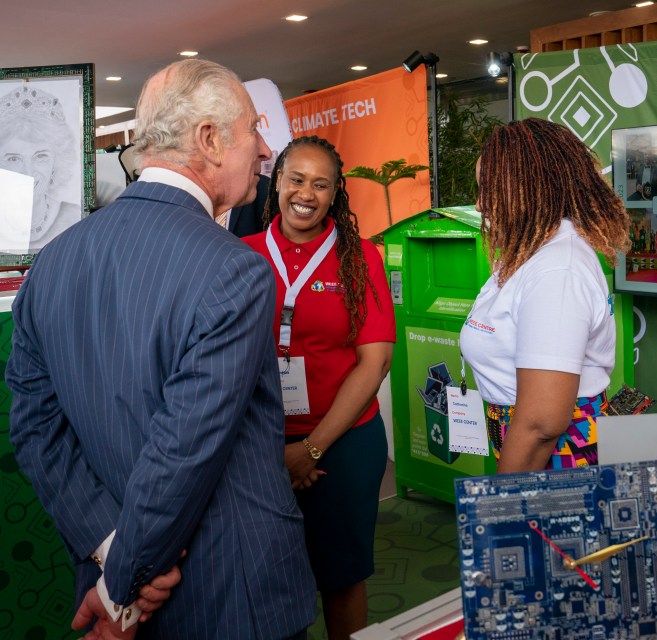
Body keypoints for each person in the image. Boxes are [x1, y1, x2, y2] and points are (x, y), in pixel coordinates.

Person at [6, 59, 316, 639]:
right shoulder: (235, 271)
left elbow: (34, 428)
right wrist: (122, 586)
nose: (267, 148)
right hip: (228, 594)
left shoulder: (50, 265)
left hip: (119, 578)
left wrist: (109, 550)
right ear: (208, 139)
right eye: (254, 128)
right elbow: (184, 451)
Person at [243, 136, 395, 640]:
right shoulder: (240, 257)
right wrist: (277, 451)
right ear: (277, 182)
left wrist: (310, 449)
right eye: (296, 179)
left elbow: (374, 364)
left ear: (335, 194)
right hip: (255, 444)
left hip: (345, 441)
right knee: (264, 577)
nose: (305, 192)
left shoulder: (360, 259)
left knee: (341, 575)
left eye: (320, 183)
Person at [461, 118, 630, 473]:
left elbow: (541, 424)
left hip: (555, 459)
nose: (478, 205)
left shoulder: (558, 271)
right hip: (528, 449)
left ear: (526, 187)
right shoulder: (533, 254)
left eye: (487, 190)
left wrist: (504, 501)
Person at [0, 85, 82, 251]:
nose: (28, 173)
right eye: (14, 159)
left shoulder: (75, 219)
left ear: (56, 162)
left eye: (40, 157)